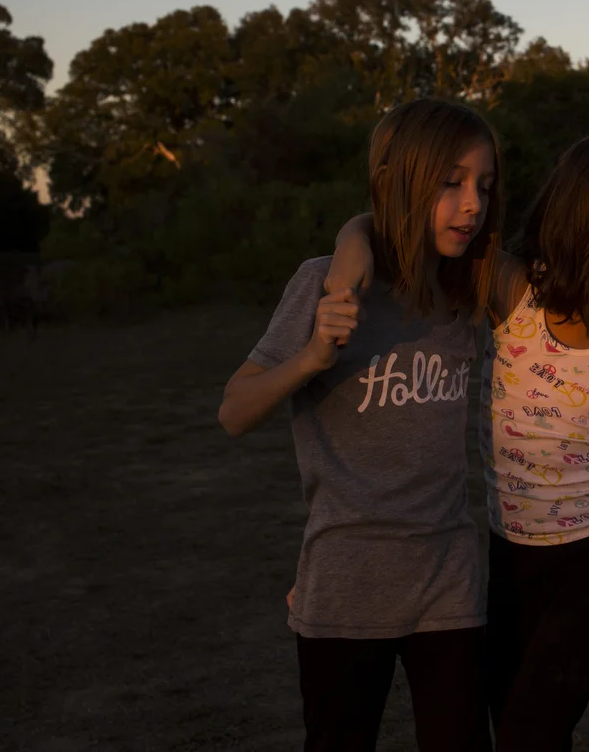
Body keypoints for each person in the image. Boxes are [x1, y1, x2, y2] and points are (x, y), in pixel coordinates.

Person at [326, 133, 589, 751]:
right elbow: (386, 225)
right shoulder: (514, 292)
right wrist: (347, 252)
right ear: (574, 220)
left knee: (527, 735)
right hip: (510, 559)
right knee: (509, 725)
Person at [218, 98, 501, 752]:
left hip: (447, 580)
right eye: (451, 182)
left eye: (483, 186)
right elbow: (233, 409)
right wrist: (313, 356)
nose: (472, 206)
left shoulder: (465, 293)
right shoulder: (327, 284)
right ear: (404, 180)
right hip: (345, 585)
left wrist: (358, 230)